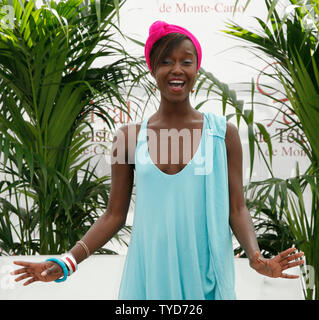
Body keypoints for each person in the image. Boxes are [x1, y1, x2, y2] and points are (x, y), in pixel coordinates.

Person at [11, 21, 304, 299]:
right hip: (149, 277)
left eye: (186, 61)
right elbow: (114, 215)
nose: (177, 69)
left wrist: (255, 257)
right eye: (166, 61)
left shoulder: (222, 134)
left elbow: (237, 207)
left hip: (206, 279)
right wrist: (68, 262)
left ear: (197, 68)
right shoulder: (127, 137)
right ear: (153, 69)